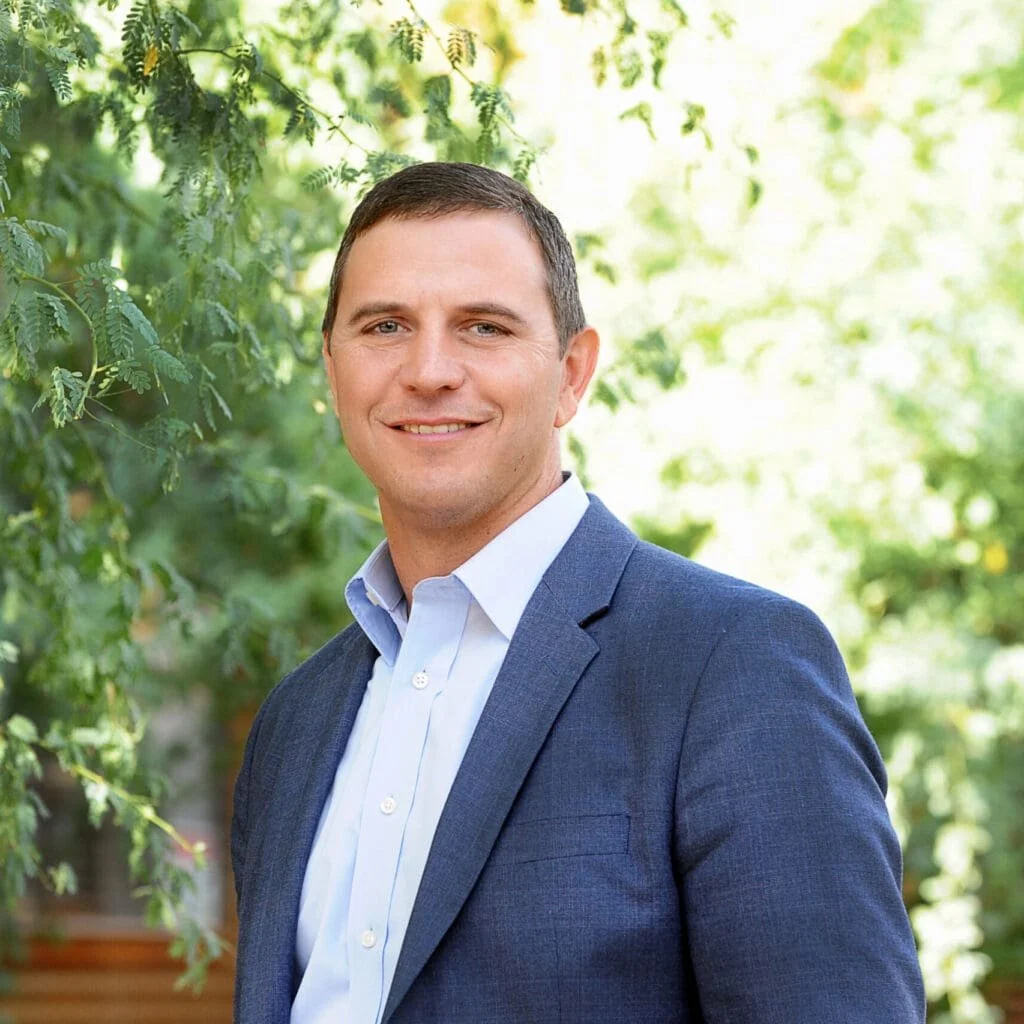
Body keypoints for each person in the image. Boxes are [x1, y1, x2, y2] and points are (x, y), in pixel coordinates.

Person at [231, 161, 925, 1024]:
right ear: (333, 369)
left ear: (571, 374)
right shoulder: (295, 725)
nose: (430, 369)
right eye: (385, 326)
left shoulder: (732, 667)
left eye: (483, 327)